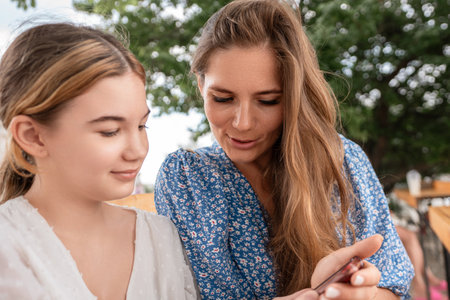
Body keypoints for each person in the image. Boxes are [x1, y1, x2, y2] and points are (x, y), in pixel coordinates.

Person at [154, 0, 414, 299]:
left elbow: (395, 287)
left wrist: (362, 295)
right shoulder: (188, 179)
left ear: (295, 96)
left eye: (268, 101)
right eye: (223, 98)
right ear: (201, 86)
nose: (243, 123)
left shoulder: (343, 160)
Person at [0, 23, 198, 299]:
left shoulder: (161, 237)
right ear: (33, 136)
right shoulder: (7, 246)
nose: (138, 150)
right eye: (110, 131)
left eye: (142, 126)